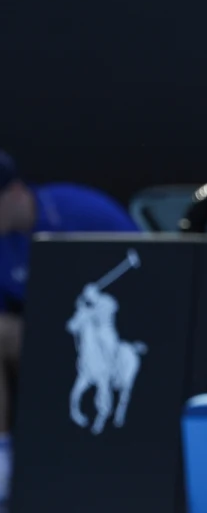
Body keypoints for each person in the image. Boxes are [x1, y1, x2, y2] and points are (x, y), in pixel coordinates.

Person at [0, 151, 138, 501]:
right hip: (47, 344)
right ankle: (3, 455)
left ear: (15, 191)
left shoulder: (86, 213)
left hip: (111, 336)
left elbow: (152, 284)